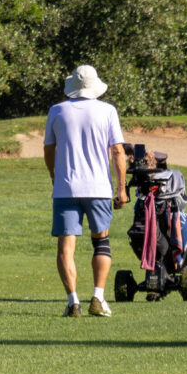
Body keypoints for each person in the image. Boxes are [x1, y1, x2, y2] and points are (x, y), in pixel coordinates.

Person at [43, 65, 128, 317]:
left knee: (65, 248)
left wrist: (54, 176)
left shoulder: (56, 111)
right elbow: (117, 151)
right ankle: (98, 298)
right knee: (101, 242)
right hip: (98, 188)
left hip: (66, 188)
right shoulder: (107, 111)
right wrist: (121, 188)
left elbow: (49, 149)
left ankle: (73, 303)